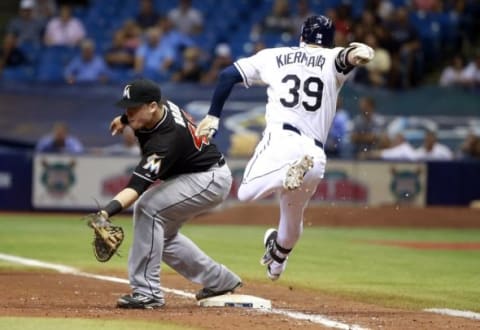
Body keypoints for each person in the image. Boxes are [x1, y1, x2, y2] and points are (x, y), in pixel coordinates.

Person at [195, 15, 374, 281]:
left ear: (302, 37)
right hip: (313, 155)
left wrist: (213, 116)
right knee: (291, 221)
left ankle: (286, 174)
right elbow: (355, 54)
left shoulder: (274, 56)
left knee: (245, 193)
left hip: (280, 142)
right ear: (329, 40)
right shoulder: (332, 58)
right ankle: (277, 261)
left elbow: (226, 75)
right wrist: (361, 51)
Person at [99, 79, 241, 309]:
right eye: (127, 108)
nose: (128, 112)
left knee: (148, 208)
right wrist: (125, 120)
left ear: (152, 106)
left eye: (133, 108)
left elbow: (135, 188)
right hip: (200, 174)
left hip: (208, 178)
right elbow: (139, 116)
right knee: (161, 237)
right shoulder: (159, 110)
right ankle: (221, 281)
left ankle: (148, 293)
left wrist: (106, 212)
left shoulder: (165, 140)